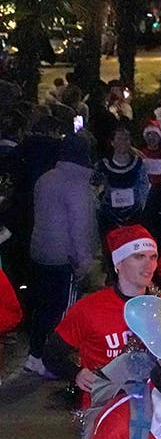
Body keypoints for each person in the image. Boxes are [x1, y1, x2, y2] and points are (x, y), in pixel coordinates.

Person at [45, 226, 157, 408]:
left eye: (153, 257)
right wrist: (77, 374)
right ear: (118, 263)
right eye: (139, 257)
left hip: (150, 406)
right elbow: (52, 354)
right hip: (103, 407)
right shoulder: (89, 308)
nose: (149, 265)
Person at [27, 132, 99, 377]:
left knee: (42, 307)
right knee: (63, 311)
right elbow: (80, 227)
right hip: (64, 258)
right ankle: (54, 361)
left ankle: (35, 354)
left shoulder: (45, 179)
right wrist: (84, 262)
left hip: (40, 253)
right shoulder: (78, 185)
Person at [94, 124, 150, 234]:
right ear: (112, 142)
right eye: (119, 139)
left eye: (126, 139)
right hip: (110, 219)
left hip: (134, 218)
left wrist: (141, 209)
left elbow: (144, 188)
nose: (123, 143)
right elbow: (95, 191)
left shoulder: (139, 165)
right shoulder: (102, 166)